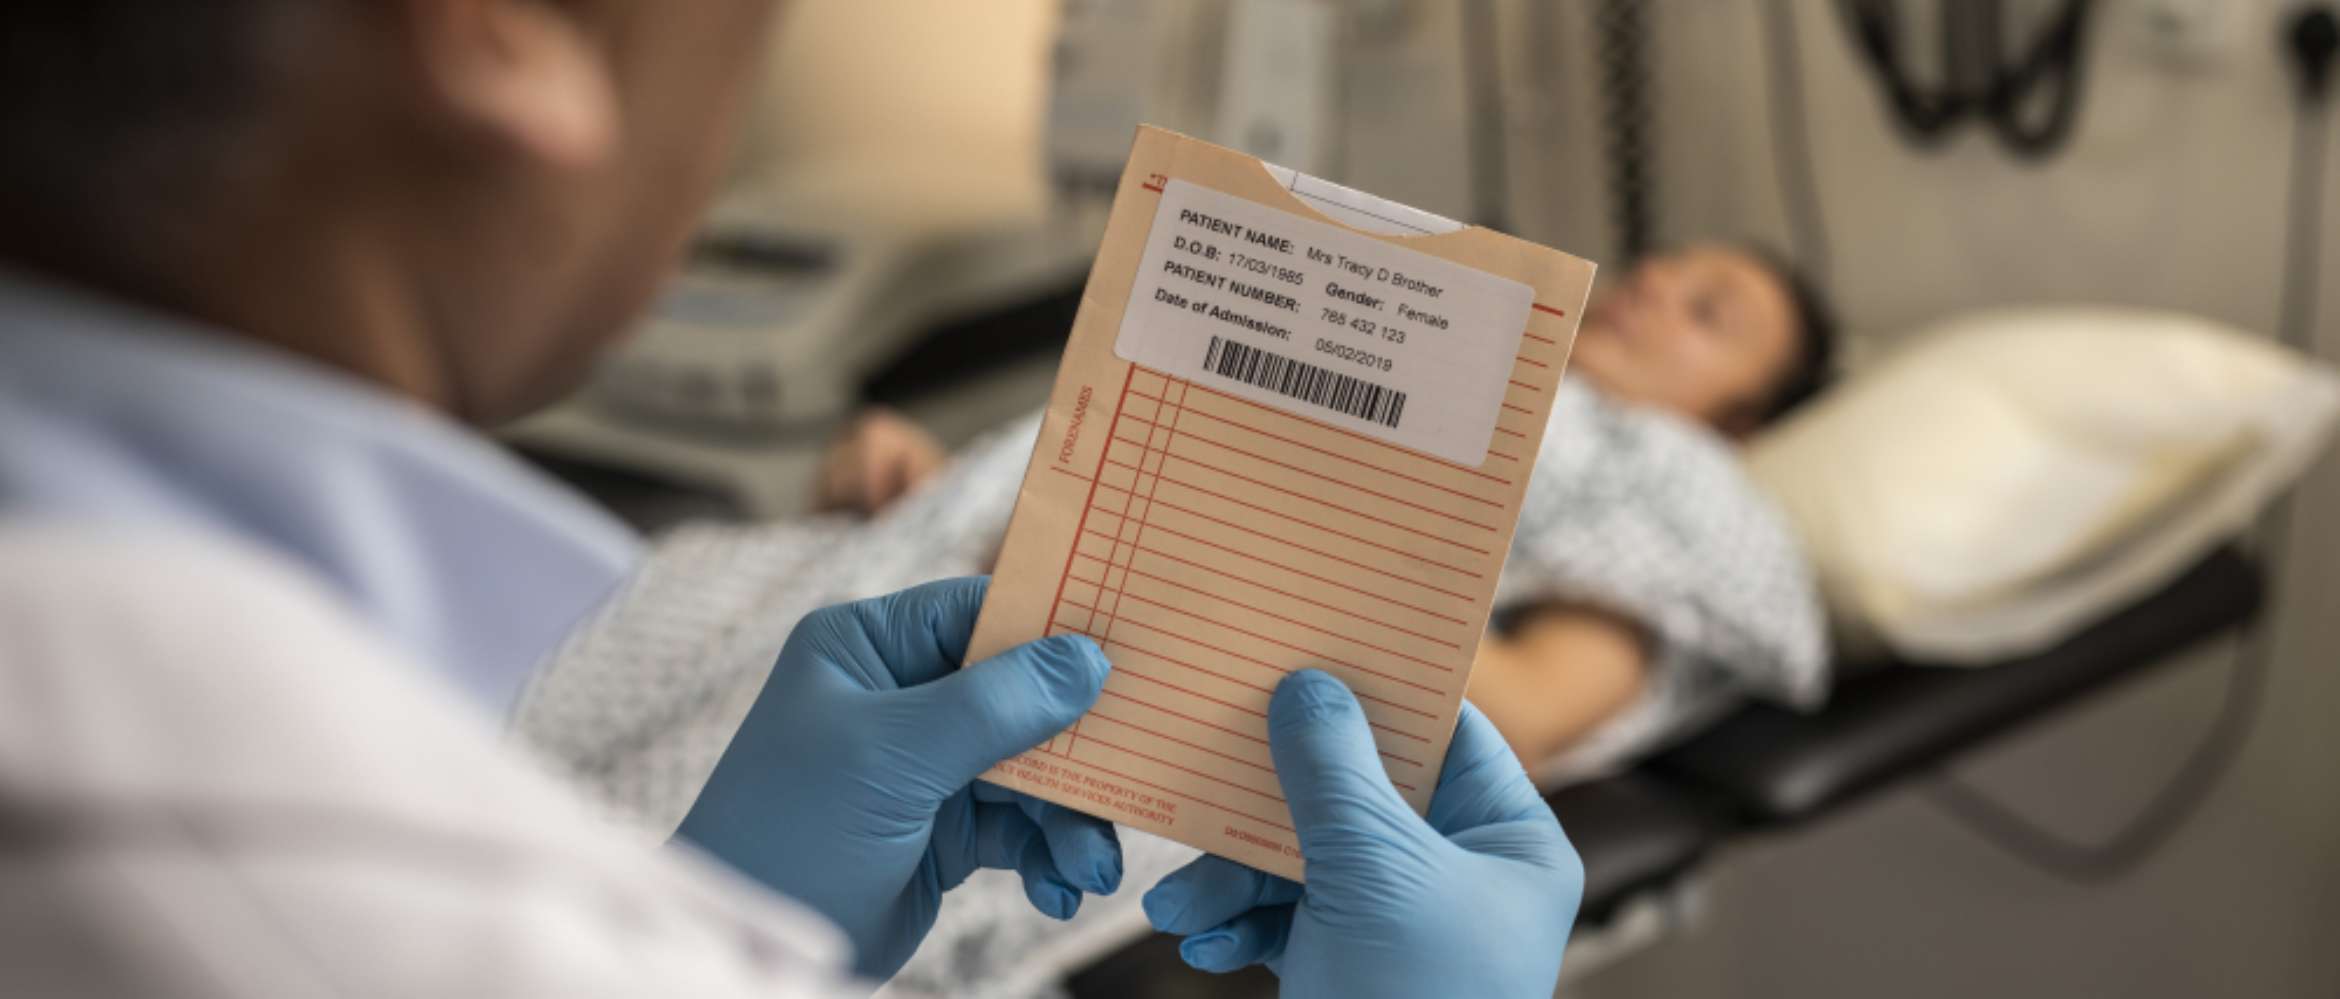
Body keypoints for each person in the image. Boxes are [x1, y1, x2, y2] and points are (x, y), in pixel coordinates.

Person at [0, 4, 1580, 998]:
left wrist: (730, 911)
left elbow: (1545, 674)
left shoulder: (1626, 459)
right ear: (499, 28)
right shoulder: (313, 903)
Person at [516, 243, 1833, 993]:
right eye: (1662, 270)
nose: (1654, 292)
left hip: (1132, 678)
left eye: (1709, 315)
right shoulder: (1468, 349)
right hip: (895, 580)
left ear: (1739, 421)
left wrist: (1253, 558)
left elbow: (1534, 710)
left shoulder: (1680, 486)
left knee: (587, 899)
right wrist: (947, 488)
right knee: (510, 733)